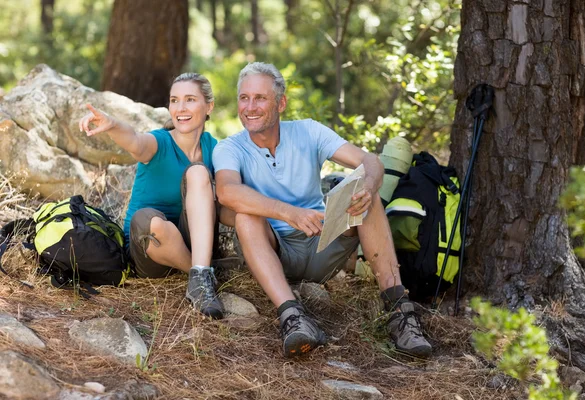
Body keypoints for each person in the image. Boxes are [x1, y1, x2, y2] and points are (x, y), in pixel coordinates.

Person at [214, 62, 432, 358]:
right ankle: (292, 317)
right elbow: (227, 191)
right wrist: (289, 213)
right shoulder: (229, 148)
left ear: (281, 103)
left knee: (367, 199)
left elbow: (370, 161)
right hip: (274, 251)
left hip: (321, 242)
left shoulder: (308, 131)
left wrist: (368, 186)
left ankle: (399, 311)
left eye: (260, 98)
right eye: (244, 98)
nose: (250, 107)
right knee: (245, 215)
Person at [78, 72, 224, 319]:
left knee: (199, 173)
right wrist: (112, 124)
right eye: (174, 100)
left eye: (190, 99)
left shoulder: (215, 148)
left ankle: (199, 273)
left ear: (208, 106)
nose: (180, 108)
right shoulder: (159, 142)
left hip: (190, 240)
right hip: (147, 250)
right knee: (153, 222)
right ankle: (200, 275)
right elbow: (136, 141)